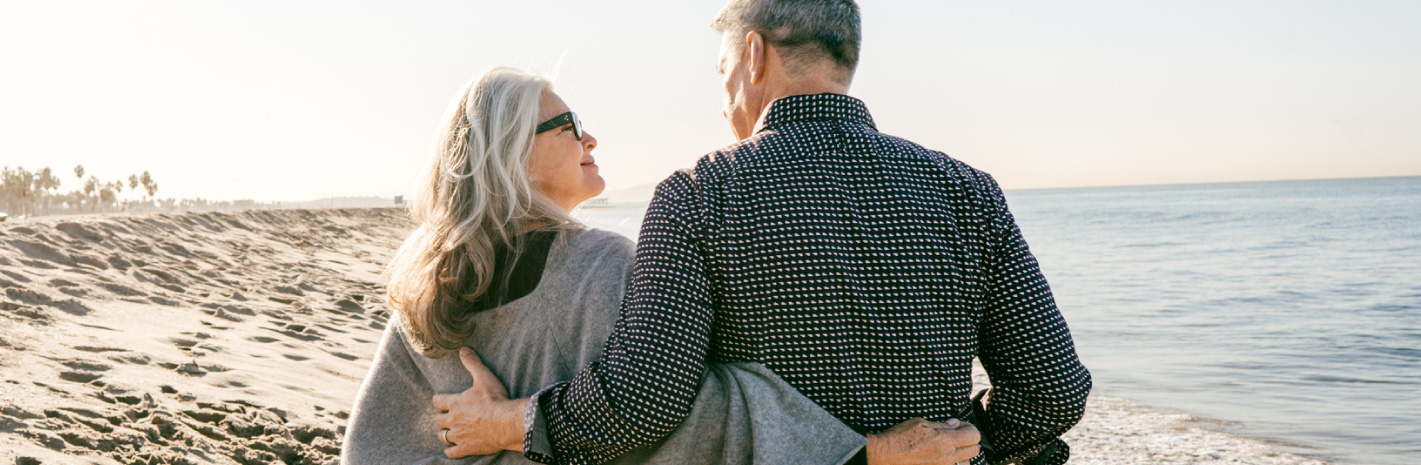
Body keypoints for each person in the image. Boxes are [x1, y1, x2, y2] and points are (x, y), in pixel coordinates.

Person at [433, 1, 1093, 465]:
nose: (723, 97)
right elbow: (1055, 388)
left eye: (721, 70)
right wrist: (967, 439)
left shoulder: (698, 194)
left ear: (752, 55)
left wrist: (514, 423)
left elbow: (642, 402)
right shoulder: (967, 189)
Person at [340, 67, 971, 465]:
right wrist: (863, 455)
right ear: (510, 154)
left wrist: (501, 429)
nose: (590, 139)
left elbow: (371, 447)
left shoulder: (422, 289)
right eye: (568, 125)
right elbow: (687, 414)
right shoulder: (598, 265)